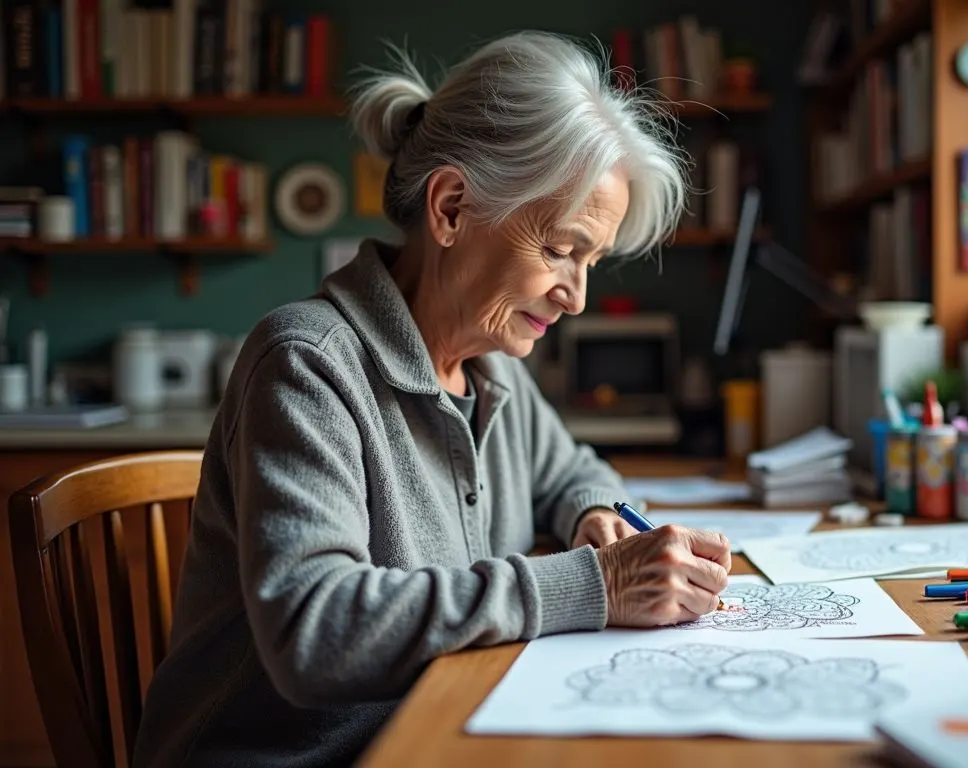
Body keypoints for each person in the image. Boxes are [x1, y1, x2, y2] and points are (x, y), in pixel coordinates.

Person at [133, 31, 731, 768]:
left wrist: (592, 513)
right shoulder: (307, 366)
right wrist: (596, 584)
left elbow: (574, 469)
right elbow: (316, 635)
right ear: (450, 208)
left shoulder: (492, 367)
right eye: (559, 250)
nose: (575, 296)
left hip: (436, 730)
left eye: (591, 261)